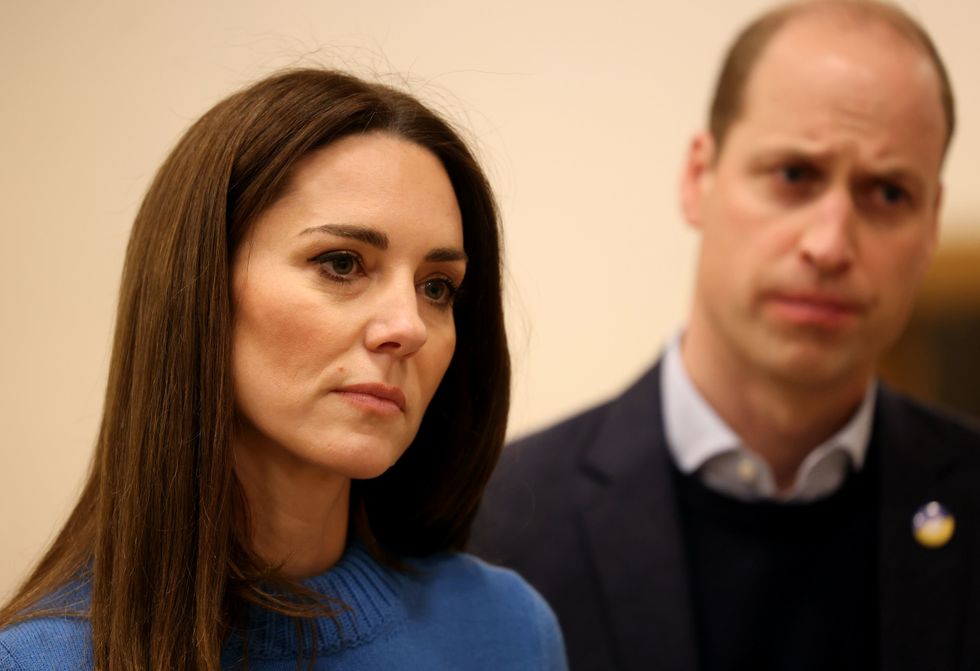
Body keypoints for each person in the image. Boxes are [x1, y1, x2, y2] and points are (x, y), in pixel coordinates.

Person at [0, 68, 567, 670]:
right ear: (200, 286)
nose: (408, 327)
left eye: (436, 287)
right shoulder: (39, 662)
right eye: (343, 264)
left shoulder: (509, 629)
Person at [470, 2, 980, 670]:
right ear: (697, 177)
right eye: (794, 175)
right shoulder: (497, 524)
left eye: (887, 193)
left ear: (931, 224)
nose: (829, 244)